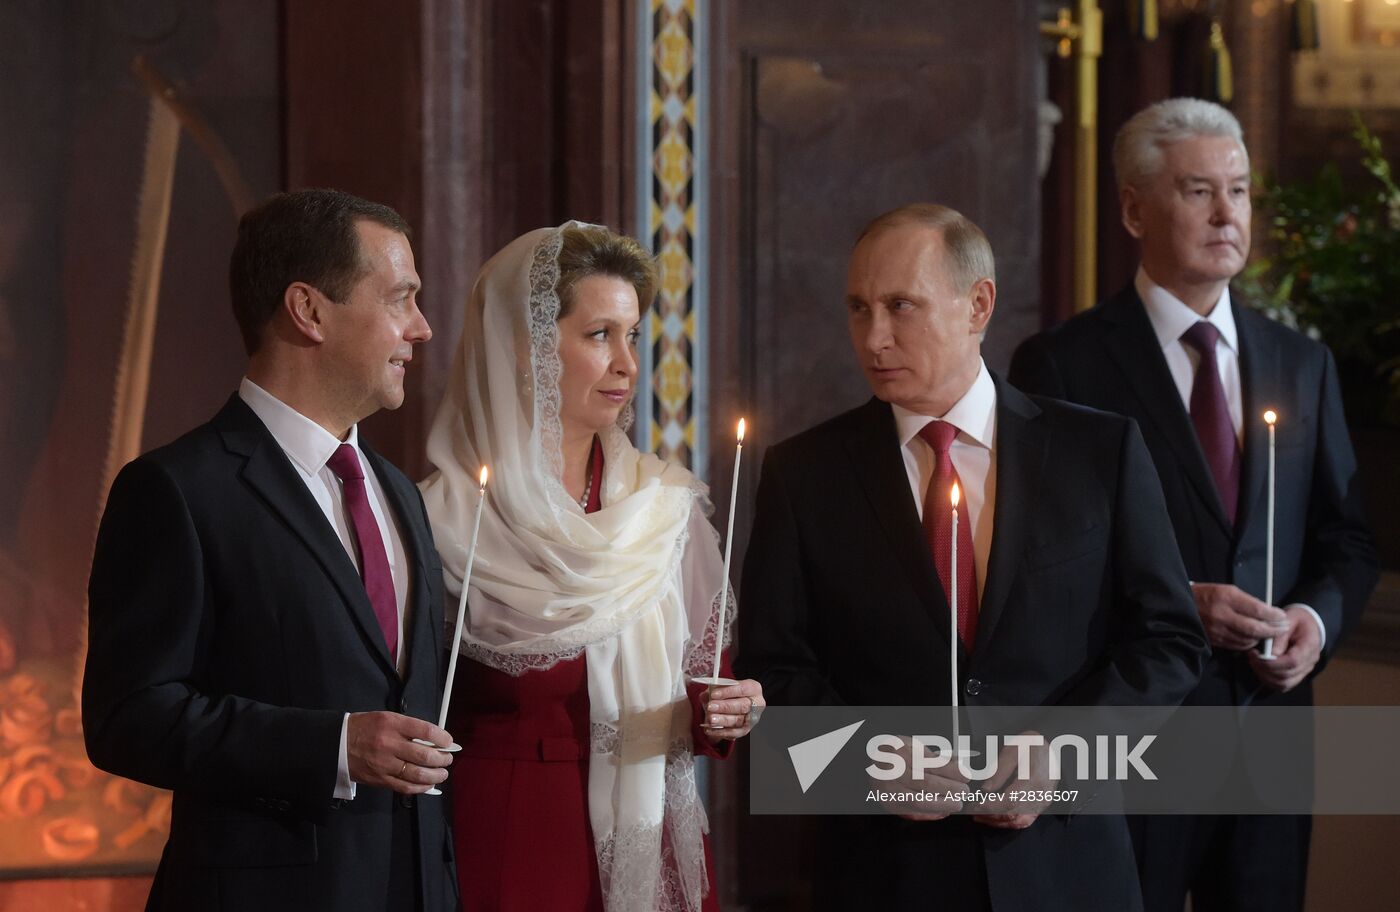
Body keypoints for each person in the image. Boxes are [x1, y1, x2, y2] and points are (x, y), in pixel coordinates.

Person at [736, 203, 1209, 911]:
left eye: (901, 306)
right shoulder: (804, 472)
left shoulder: (1099, 452)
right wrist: (867, 763)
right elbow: (772, 669)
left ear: (977, 305)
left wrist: (1067, 754)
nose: (874, 336)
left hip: (1067, 868)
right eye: (859, 308)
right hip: (886, 872)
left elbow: (1169, 639)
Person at [1010, 98, 1378, 912]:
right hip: (1135, 736)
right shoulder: (1064, 364)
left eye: (1240, 192)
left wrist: (1312, 627)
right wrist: (1178, 602)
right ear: (1135, 208)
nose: (1226, 214)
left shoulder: (1301, 362)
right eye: (1198, 191)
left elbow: (1347, 540)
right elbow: (1038, 569)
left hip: (1269, 733)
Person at [83, 188, 459, 912]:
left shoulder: (399, 493)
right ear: (308, 310)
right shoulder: (176, 489)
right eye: (400, 299)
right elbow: (130, 718)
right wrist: (333, 747)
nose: (422, 327)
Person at [419, 222, 763, 912]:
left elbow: (703, 692)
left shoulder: (663, 510)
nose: (628, 365)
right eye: (599, 334)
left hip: (646, 833)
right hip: (504, 837)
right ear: (526, 348)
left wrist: (730, 711)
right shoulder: (439, 517)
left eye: (632, 336)